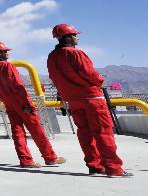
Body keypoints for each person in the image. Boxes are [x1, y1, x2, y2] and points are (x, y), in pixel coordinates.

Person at [47, 24, 131, 177]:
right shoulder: (75, 54)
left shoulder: (52, 57)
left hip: (73, 100)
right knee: (103, 133)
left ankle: (94, 166)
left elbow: (54, 78)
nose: (77, 37)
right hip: (92, 98)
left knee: (85, 133)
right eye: (74, 35)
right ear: (67, 37)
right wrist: (100, 80)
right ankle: (114, 168)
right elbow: (89, 73)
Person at [0, 41, 65, 168]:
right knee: (37, 130)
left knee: (17, 131)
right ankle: (50, 157)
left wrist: (6, 100)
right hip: (21, 103)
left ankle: (25, 160)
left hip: (9, 103)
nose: (7, 53)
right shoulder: (8, 66)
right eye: (4, 51)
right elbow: (18, 86)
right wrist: (27, 103)